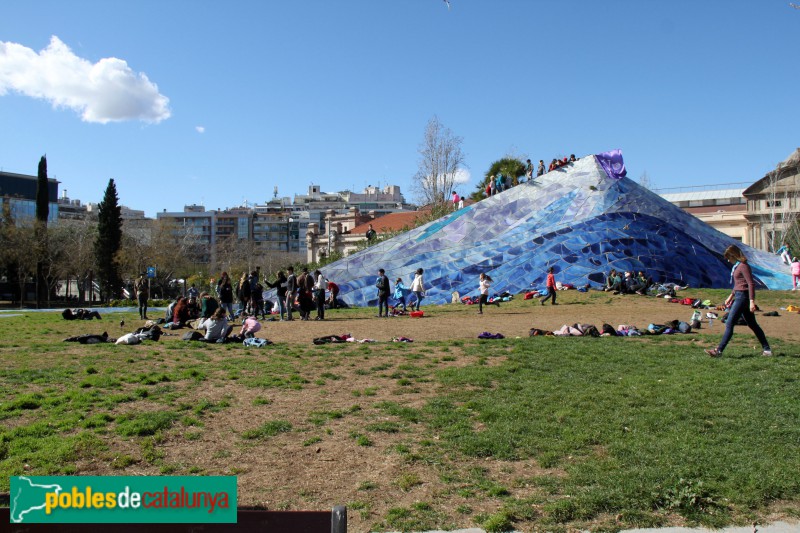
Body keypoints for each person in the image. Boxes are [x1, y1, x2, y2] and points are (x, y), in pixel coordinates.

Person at [705, 244, 772, 357]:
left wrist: (751, 301)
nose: (727, 260)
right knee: (753, 324)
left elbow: (750, 283)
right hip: (740, 296)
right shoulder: (737, 266)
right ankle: (767, 350)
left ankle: (718, 351)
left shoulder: (743, 266)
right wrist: (730, 297)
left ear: (734, 255)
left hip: (743, 298)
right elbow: (739, 285)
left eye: (728, 257)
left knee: (730, 323)